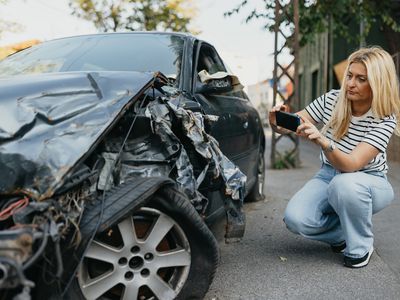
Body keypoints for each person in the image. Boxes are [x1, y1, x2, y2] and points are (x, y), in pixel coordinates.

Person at [269, 46, 400, 268]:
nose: (350, 83)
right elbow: (295, 123)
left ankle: (360, 246)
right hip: (328, 175)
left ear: (377, 83)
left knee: (344, 184)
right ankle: (341, 233)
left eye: (361, 79)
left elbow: (351, 165)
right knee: (296, 219)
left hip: (370, 181)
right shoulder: (332, 99)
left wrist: (323, 141)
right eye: (350, 75)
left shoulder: (385, 119)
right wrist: (277, 121)